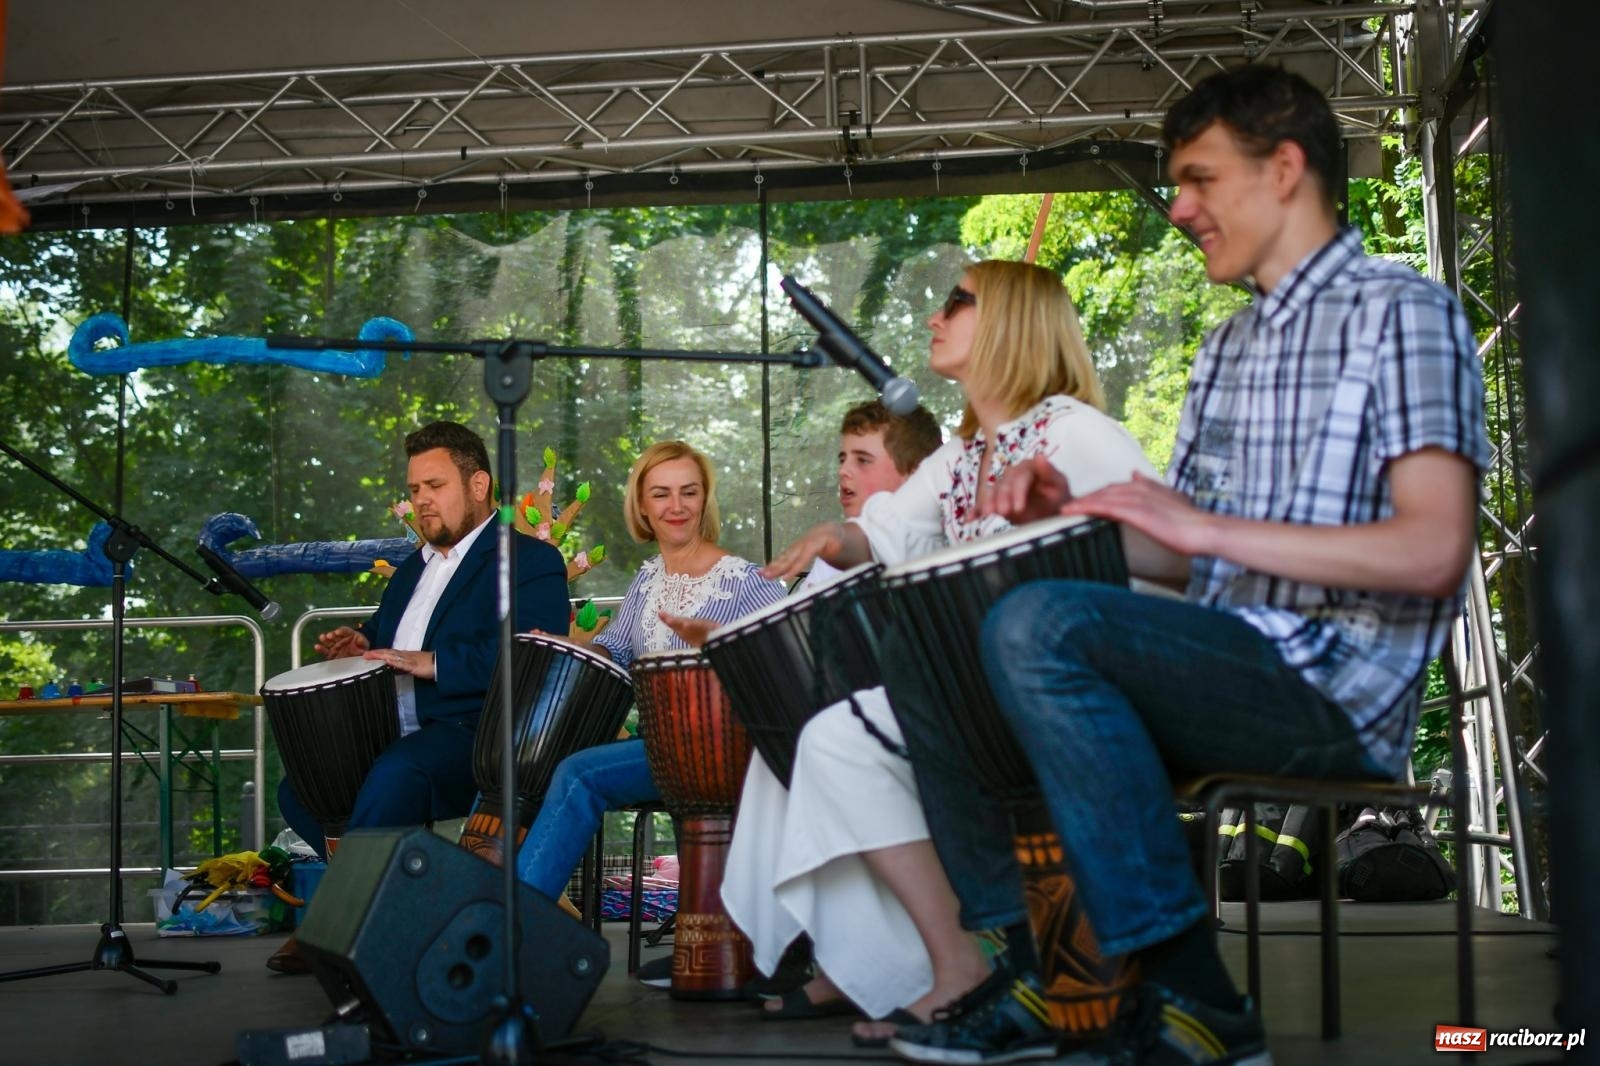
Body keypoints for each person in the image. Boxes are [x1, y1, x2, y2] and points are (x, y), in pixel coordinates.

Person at [886, 65, 1489, 1066]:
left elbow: (1431, 550)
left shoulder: (1402, 315)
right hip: (1226, 653)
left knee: (1039, 625)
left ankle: (1199, 996)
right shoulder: (1226, 350)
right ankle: (1052, 960)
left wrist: (1209, 533)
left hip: (1332, 686)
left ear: (1284, 168)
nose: (1178, 207)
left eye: (1200, 178)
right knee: (927, 635)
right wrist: (1073, 515)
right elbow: (1184, 552)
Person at [731, 260, 1154, 1042]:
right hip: (992, 694)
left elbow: (1159, 565)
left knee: (898, 689)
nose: (936, 315)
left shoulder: (1077, 434)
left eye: (958, 301)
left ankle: (1024, 965)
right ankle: (948, 967)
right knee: (832, 742)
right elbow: (887, 530)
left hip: (1086, 696)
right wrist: (837, 536)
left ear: (1011, 327)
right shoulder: (962, 456)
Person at [270, 420, 570, 973]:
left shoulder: (530, 561)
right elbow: (390, 638)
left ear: (478, 486)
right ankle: (404, 904)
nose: (422, 502)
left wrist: (436, 664)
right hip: (398, 732)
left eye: (435, 486)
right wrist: (360, 642)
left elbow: (533, 655)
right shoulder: (413, 569)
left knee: (397, 775)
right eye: (414, 491)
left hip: (476, 733)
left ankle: (341, 922)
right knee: (298, 791)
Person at [671, 399, 942, 1007]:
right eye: (841, 457)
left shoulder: (926, 533)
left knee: (824, 749)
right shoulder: (829, 555)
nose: (844, 472)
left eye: (862, 459)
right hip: (845, 717)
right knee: (785, 755)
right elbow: (792, 633)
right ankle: (827, 950)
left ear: (912, 474)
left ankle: (863, 965)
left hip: (924, 721)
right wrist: (718, 639)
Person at [512, 440, 788, 901]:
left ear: (705, 499)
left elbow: (785, 664)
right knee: (540, 755)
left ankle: (510, 927)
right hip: (663, 748)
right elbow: (615, 650)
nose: (675, 506)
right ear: (642, 504)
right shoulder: (647, 578)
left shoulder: (744, 581)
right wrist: (562, 643)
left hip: (726, 751)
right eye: (661, 494)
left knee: (579, 775)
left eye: (689, 492)